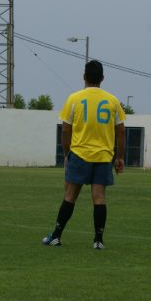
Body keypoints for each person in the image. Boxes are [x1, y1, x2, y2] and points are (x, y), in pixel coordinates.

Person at [42, 60, 126, 250]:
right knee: (99, 197)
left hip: (79, 154)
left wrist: (67, 153)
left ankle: (55, 236)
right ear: (102, 78)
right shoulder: (113, 101)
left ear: (84, 77)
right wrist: (119, 157)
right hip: (104, 156)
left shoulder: (74, 99)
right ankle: (98, 240)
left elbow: (65, 130)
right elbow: (120, 131)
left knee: (70, 195)